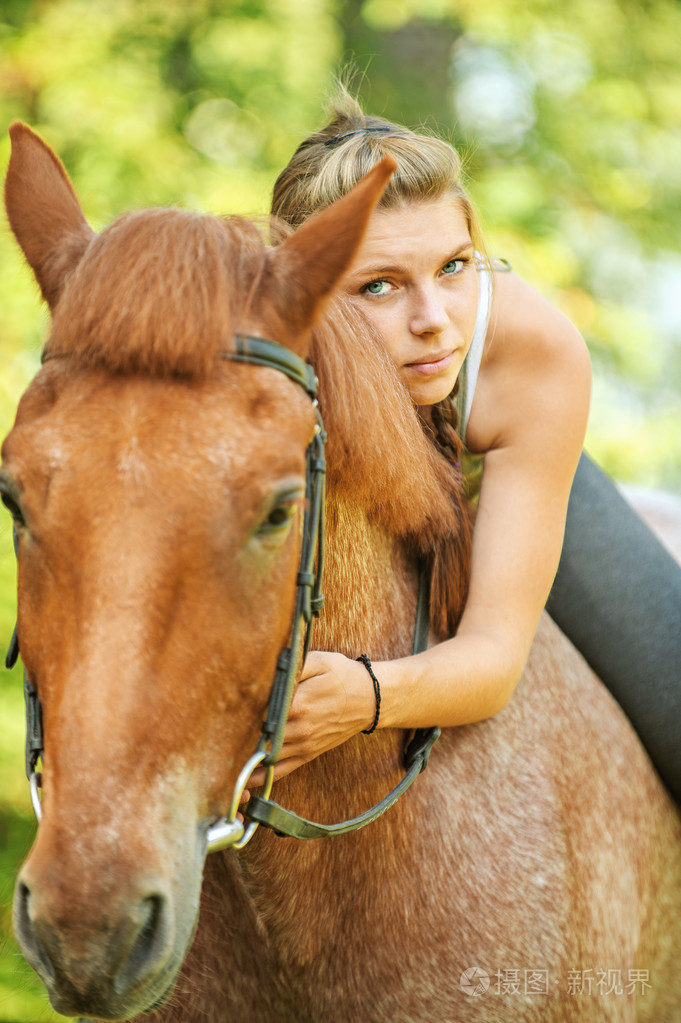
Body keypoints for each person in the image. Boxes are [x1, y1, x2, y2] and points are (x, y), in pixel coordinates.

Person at [249, 88, 681, 804]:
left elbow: (492, 659)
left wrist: (367, 694)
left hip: (499, 485)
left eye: (453, 267)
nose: (433, 321)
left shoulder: (531, 351)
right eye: (380, 285)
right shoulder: (261, 344)